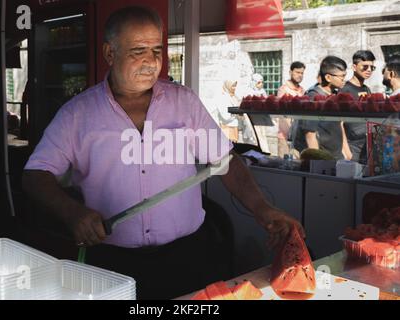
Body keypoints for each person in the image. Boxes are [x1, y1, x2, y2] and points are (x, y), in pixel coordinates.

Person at [22, 6, 303, 300]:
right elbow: (34, 175)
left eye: (157, 49)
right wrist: (72, 213)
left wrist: (262, 207)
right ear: (109, 54)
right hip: (113, 262)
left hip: (189, 256)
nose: (151, 61)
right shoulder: (77, 115)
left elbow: (226, 162)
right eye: (138, 50)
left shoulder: (184, 103)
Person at [293, 56, 352, 160]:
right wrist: (318, 162)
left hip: (337, 157)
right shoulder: (313, 98)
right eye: (341, 76)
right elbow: (310, 134)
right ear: (328, 77)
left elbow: (340, 124)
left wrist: (347, 154)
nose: (344, 79)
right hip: (323, 160)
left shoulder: (335, 95)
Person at [341, 50, 376, 164]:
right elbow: (338, 123)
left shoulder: (367, 89)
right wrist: (347, 151)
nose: (369, 70)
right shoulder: (345, 90)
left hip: (367, 144)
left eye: (372, 67)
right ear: (354, 67)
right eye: (365, 67)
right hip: (353, 146)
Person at [277, 61, 306, 158]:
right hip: (285, 135)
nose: (300, 75)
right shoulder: (283, 89)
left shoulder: (303, 91)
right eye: (297, 72)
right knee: (283, 164)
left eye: (302, 73)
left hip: (299, 136)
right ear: (290, 72)